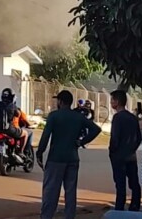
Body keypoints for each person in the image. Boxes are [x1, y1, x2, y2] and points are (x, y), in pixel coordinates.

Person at [38, 89, 101, 219]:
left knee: (51, 192)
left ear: (60, 102)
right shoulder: (78, 117)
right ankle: (69, 216)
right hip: (72, 158)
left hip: (56, 158)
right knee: (70, 192)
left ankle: (46, 216)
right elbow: (96, 129)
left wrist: (40, 152)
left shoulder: (54, 116)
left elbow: (45, 136)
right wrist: (82, 142)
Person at [108, 89, 142, 211]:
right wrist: (132, 149)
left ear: (117, 101)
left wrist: (112, 151)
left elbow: (115, 137)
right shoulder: (133, 117)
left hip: (119, 156)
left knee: (120, 183)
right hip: (131, 155)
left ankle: (119, 207)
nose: (111, 102)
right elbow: (139, 137)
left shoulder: (117, 117)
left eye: (112, 100)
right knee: (134, 182)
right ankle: (135, 205)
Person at [0, 88, 29, 159]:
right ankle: (20, 151)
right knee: (26, 133)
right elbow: (18, 114)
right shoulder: (13, 106)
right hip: (9, 130)